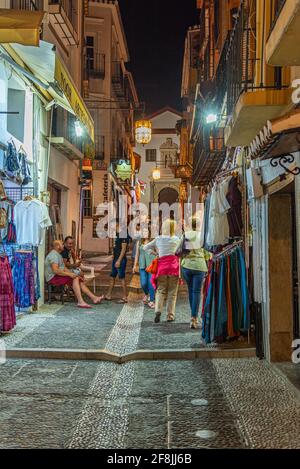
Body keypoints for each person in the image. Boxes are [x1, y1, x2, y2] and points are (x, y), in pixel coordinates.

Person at [45, 240, 103, 309]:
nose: (63, 245)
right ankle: (80, 301)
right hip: (53, 277)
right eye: (62, 244)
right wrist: (70, 275)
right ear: (57, 246)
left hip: (58, 275)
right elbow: (56, 270)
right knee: (75, 278)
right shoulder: (53, 255)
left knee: (77, 278)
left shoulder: (58, 255)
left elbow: (64, 268)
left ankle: (94, 298)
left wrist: (72, 274)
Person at [144, 219, 181, 323]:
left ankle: (157, 310)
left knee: (160, 290)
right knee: (172, 293)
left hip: (162, 268)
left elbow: (145, 247)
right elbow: (180, 252)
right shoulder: (177, 239)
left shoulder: (158, 239)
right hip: (173, 267)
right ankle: (170, 315)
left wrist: (155, 253)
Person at [181, 216, 212, 329]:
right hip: (199, 266)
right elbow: (207, 253)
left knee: (191, 290)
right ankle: (194, 317)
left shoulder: (186, 235)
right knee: (197, 292)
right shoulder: (202, 236)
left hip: (187, 265)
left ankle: (192, 315)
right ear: (199, 225)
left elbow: (180, 249)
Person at [105, 223, 130, 303]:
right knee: (112, 276)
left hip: (120, 260)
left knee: (121, 278)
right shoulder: (118, 234)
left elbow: (123, 249)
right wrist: (113, 255)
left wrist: (119, 260)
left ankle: (125, 297)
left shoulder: (123, 234)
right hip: (116, 259)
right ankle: (108, 295)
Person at [133, 236, 156, 309]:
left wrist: (154, 253)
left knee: (151, 283)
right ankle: (147, 294)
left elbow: (158, 253)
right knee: (143, 283)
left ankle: (152, 300)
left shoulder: (153, 241)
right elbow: (137, 254)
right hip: (142, 264)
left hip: (151, 265)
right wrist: (134, 265)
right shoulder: (139, 242)